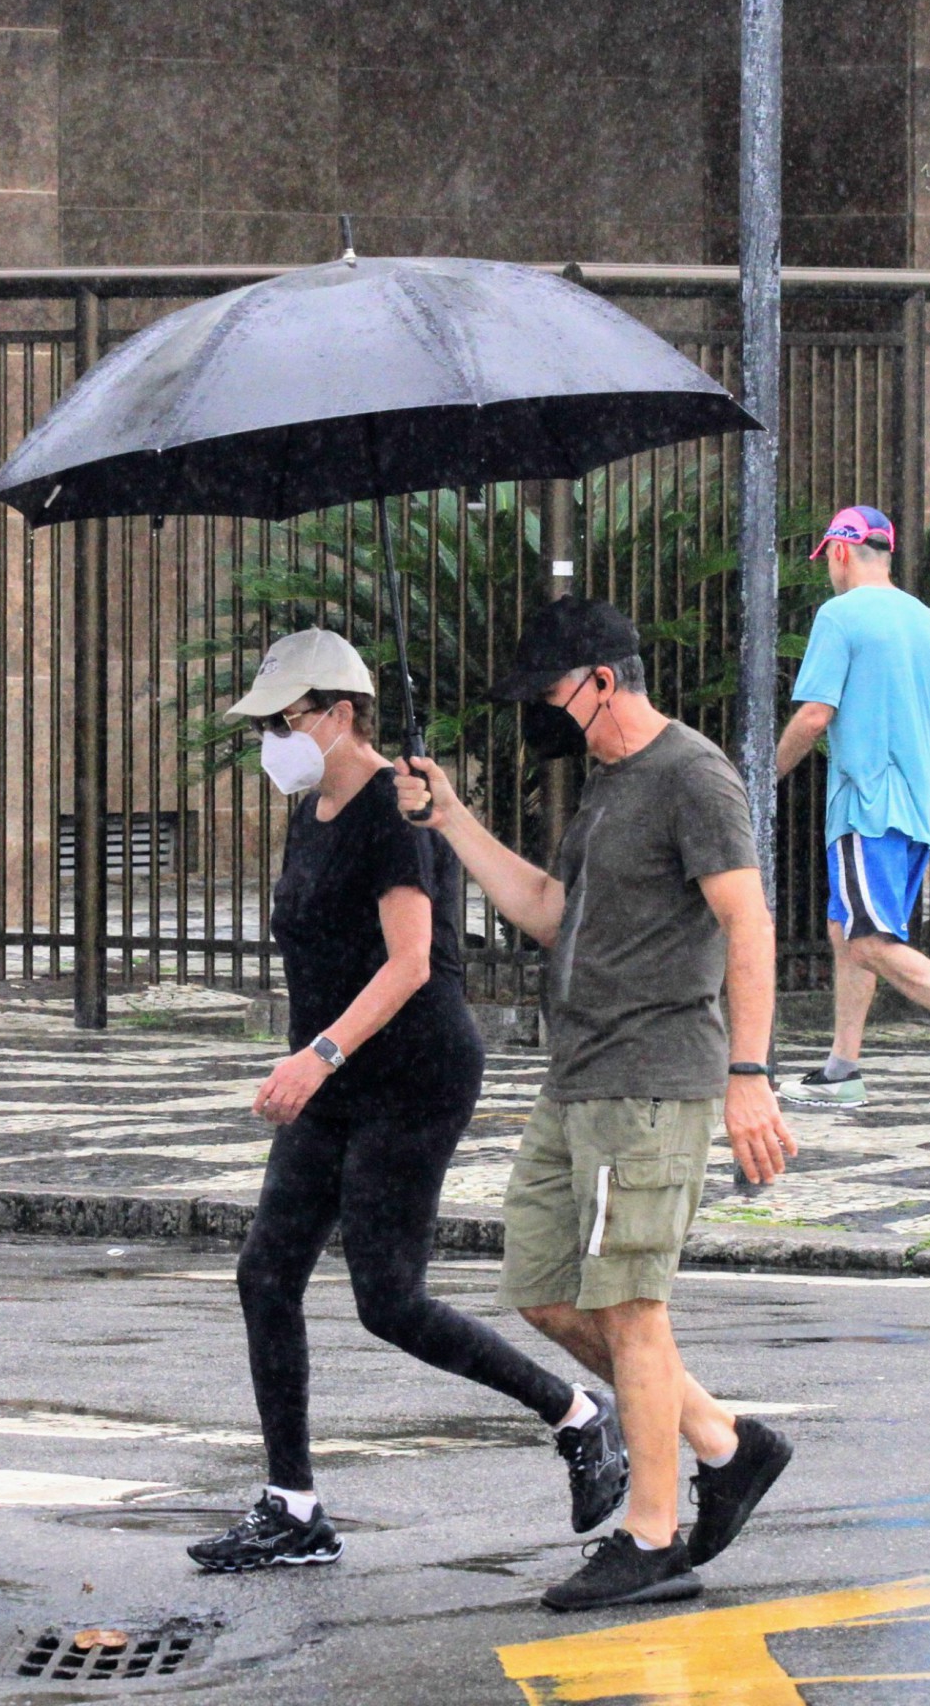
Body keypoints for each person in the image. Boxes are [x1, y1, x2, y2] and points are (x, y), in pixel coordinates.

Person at [187, 627, 628, 1576]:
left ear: (340, 715)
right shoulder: (312, 809)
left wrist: (318, 1055)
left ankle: (579, 1413)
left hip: (412, 1073)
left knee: (389, 1301)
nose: (271, 740)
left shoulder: (396, 809)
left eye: (284, 719)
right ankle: (292, 1507)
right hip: (334, 1076)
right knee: (267, 1275)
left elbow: (411, 962)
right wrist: (317, 1061)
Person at [394, 596, 797, 1613]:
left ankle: (651, 1540)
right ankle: (722, 1444)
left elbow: (746, 923)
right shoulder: (610, 787)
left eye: (546, 693)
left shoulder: (691, 777)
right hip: (576, 1078)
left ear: (600, 682)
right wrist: (450, 820)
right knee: (541, 1286)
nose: (538, 712)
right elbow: (548, 912)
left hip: (649, 1081)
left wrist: (746, 1076)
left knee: (629, 1308)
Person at [777, 505, 930, 1108]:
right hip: (917, 808)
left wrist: (762, 773)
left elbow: (815, 713)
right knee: (846, 929)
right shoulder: (929, 623)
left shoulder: (840, 616)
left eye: (828, 560)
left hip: (866, 804)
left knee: (869, 939)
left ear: (841, 552)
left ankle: (844, 1070)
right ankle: (842, 1070)